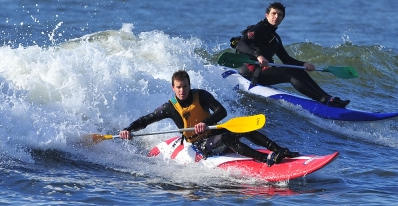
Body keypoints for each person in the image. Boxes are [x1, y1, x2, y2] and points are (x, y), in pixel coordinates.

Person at [119, 70, 299, 166]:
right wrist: (128, 129)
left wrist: (205, 123)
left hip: (213, 131)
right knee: (227, 137)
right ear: (173, 88)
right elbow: (146, 120)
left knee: (243, 128)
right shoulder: (169, 107)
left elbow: (222, 112)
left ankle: (280, 149)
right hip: (199, 145)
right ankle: (263, 159)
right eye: (178, 88)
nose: (182, 91)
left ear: (190, 85)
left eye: (185, 87)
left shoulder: (202, 96)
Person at [234, 1, 350, 108]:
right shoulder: (258, 28)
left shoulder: (276, 39)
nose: (276, 17)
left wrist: (304, 64)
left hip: (264, 71)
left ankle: (328, 97)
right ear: (267, 15)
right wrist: (258, 55)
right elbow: (241, 45)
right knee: (289, 72)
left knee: (298, 69)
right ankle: (322, 99)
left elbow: (286, 59)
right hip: (251, 71)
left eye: (280, 15)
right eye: (273, 13)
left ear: (282, 18)